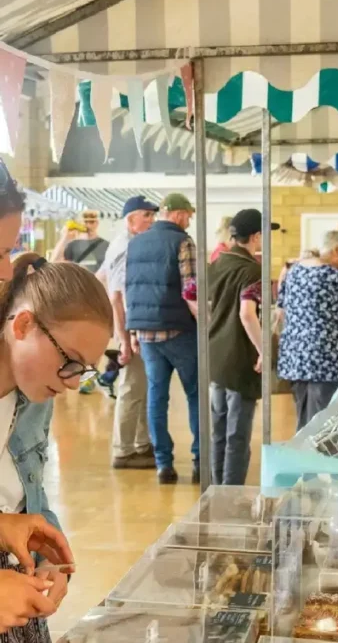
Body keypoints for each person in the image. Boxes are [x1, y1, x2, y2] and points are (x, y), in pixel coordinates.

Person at [0, 251, 112, 643]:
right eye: (69, 361)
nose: (70, 382)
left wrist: (48, 550)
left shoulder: (33, 395)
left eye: (81, 371)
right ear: (22, 325)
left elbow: (29, 487)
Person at [125, 193, 199, 485]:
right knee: (195, 394)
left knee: (157, 396)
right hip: (179, 330)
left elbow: (130, 287)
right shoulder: (183, 242)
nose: (190, 220)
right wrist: (206, 323)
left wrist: (132, 331)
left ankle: (163, 464)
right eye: (188, 214)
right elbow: (190, 290)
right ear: (179, 214)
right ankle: (199, 461)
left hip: (146, 334)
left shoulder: (137, 242)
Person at [96, 195, 158, 469]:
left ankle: (142, 444)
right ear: (131, 220)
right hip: (131, 330)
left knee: (141, 387)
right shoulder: (125, 248)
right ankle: (123, 450)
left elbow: (101, 279)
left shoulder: (127, 245)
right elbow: (117, 296)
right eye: (146, 215)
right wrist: (123, 339)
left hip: (134, 327)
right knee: (132, 389)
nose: (151, 220)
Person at [278, 230, 338, 431]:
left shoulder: (294, 271)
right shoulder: (335, 277)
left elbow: (281, 311)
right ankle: (314, 461)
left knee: (303, 419)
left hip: (295, 358)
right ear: (337, 250)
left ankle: (300, 459)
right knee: (321, 424)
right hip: (325, 361)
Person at [208, 209, 263, 486]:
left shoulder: (217, 262)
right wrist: (264, 349)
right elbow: (247, 313)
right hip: (240, 358)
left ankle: (217, 489)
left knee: (219, 429)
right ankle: (231, 492)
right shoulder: (252, 269)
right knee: (237, 434)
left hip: (215, 355)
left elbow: (191, 293)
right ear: (255, 236)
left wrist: (212, 323)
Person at [52, 210, 109, 274]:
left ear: (97, 223)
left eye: (91, 221)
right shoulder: (73, 245)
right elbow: (54, 261)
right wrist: (64, 238)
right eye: (85, 221)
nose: (87, 224)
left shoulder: (106, 245)